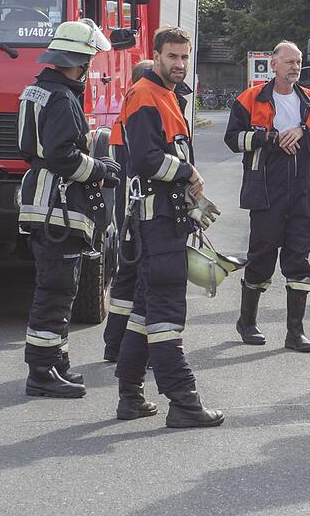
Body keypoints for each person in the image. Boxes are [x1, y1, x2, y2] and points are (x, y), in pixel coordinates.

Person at [114, 26, 224, 428]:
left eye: (184, 56)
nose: (179, 63)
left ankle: (130, 395)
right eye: (172, 56)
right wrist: (188, 171)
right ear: (156, 55)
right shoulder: (146, 94)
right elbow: (146, 160)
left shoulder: (165, 95)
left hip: (161, 219)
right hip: (157, 222)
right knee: (166, 312)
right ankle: (184, 401)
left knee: (145, 310)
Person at [16, 19, 121, 398]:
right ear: (81, 61)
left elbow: (33, 149)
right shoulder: (61, 98)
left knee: (59, 288)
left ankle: (56, 360)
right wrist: (102, 170)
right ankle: (42, 372)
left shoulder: (36, 91)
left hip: (41, 202)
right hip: (58, 208)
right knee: (56, 291)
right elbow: (63, 157)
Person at [225, 41, 310, 352]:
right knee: (261, 258)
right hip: (265, 193)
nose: (295, 67)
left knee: (299, 261)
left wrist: (306, 134)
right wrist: (270, 138)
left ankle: (295, 332)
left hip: (302, 194)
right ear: (273, 65)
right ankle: (247, 322)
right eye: (289, 62)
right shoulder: (250, 98)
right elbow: (233, 139)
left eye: (298, 62)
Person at [102, 58, 157, 364]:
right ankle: (134, 350)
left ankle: (114, 345)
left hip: (127, 215)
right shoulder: (142, 114)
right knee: (142, 282)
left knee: (126, 279)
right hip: (141, 214)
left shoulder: (123, 117)